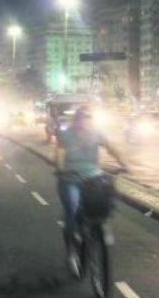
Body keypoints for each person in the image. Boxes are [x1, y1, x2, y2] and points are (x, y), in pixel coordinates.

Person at [53, 106, 128, 277]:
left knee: (103, 202)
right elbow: (59, 152)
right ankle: (71, 250)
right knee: (72, 208)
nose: (85, 121)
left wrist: (124, 163)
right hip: (70, 178)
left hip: (93, 177)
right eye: (82, 117)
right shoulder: (66, 134)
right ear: (76, 119)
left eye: (88, 117)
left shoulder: (96, 133)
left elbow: (111, 148)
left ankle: (97, 231)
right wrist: (60, 167)